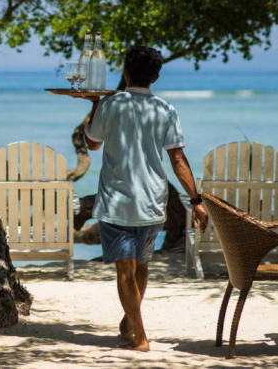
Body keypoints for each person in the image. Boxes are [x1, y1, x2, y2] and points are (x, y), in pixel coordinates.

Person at [84, 45, 208, 352]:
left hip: (117, 201)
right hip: (153, 200)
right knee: (140, 266)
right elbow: (178, 160)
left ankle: (140, 337)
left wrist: (94, 103)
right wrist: (196, 201)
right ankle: (130, 323)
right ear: (155, 76)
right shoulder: (165, 109)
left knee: (125, 271)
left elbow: (93, 144)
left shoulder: (111, 105)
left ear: (124, 72)